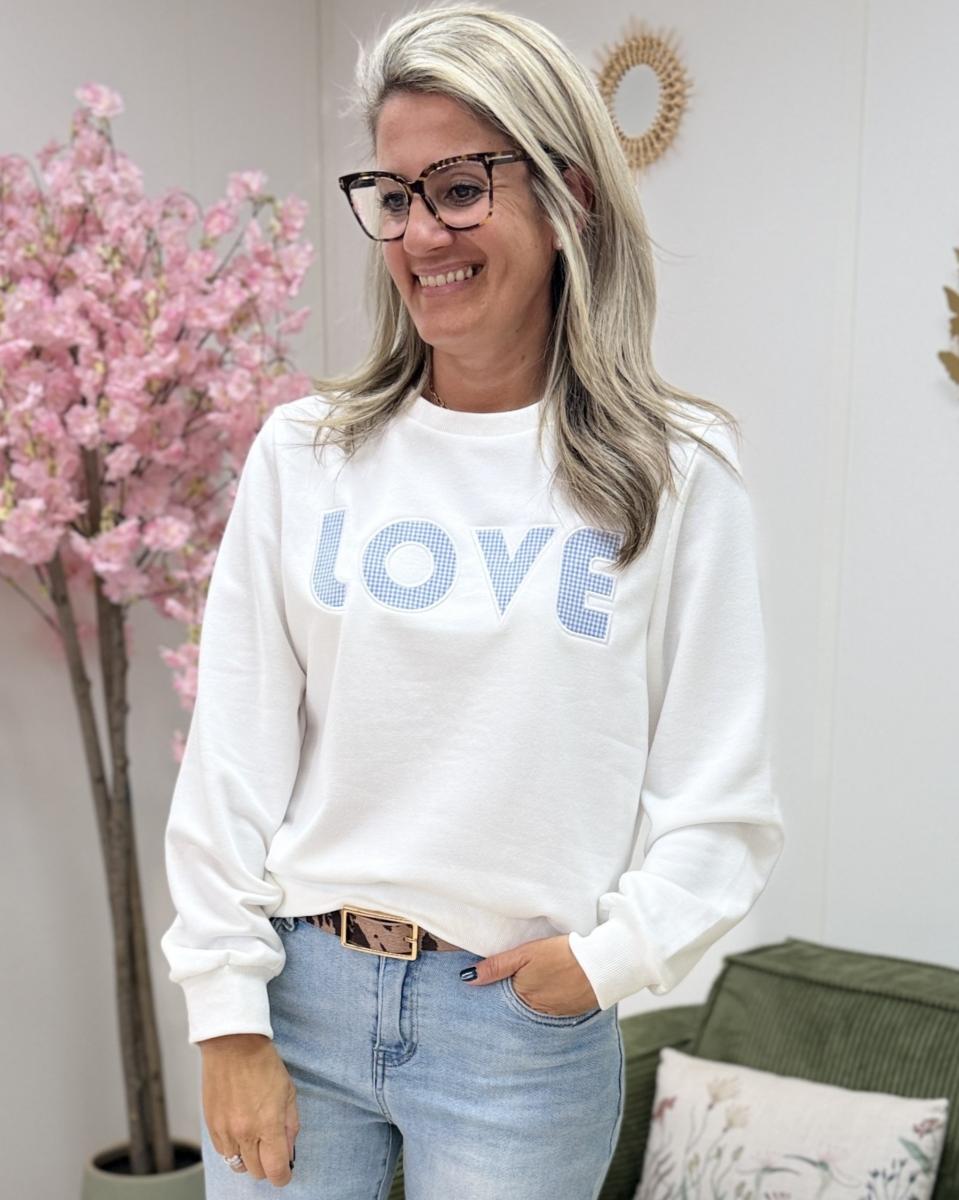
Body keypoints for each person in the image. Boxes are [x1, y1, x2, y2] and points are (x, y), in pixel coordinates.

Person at [159, 4, 786, 1197]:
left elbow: (723, 802)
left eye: (457, 189)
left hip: (516, 1033)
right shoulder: (305, 453)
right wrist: (225, 1014)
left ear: (565, 199)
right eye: (392, 196)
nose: (417, 234)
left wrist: (609, 959)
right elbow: (229, 764)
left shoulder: (675, 471)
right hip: (295, 1001)